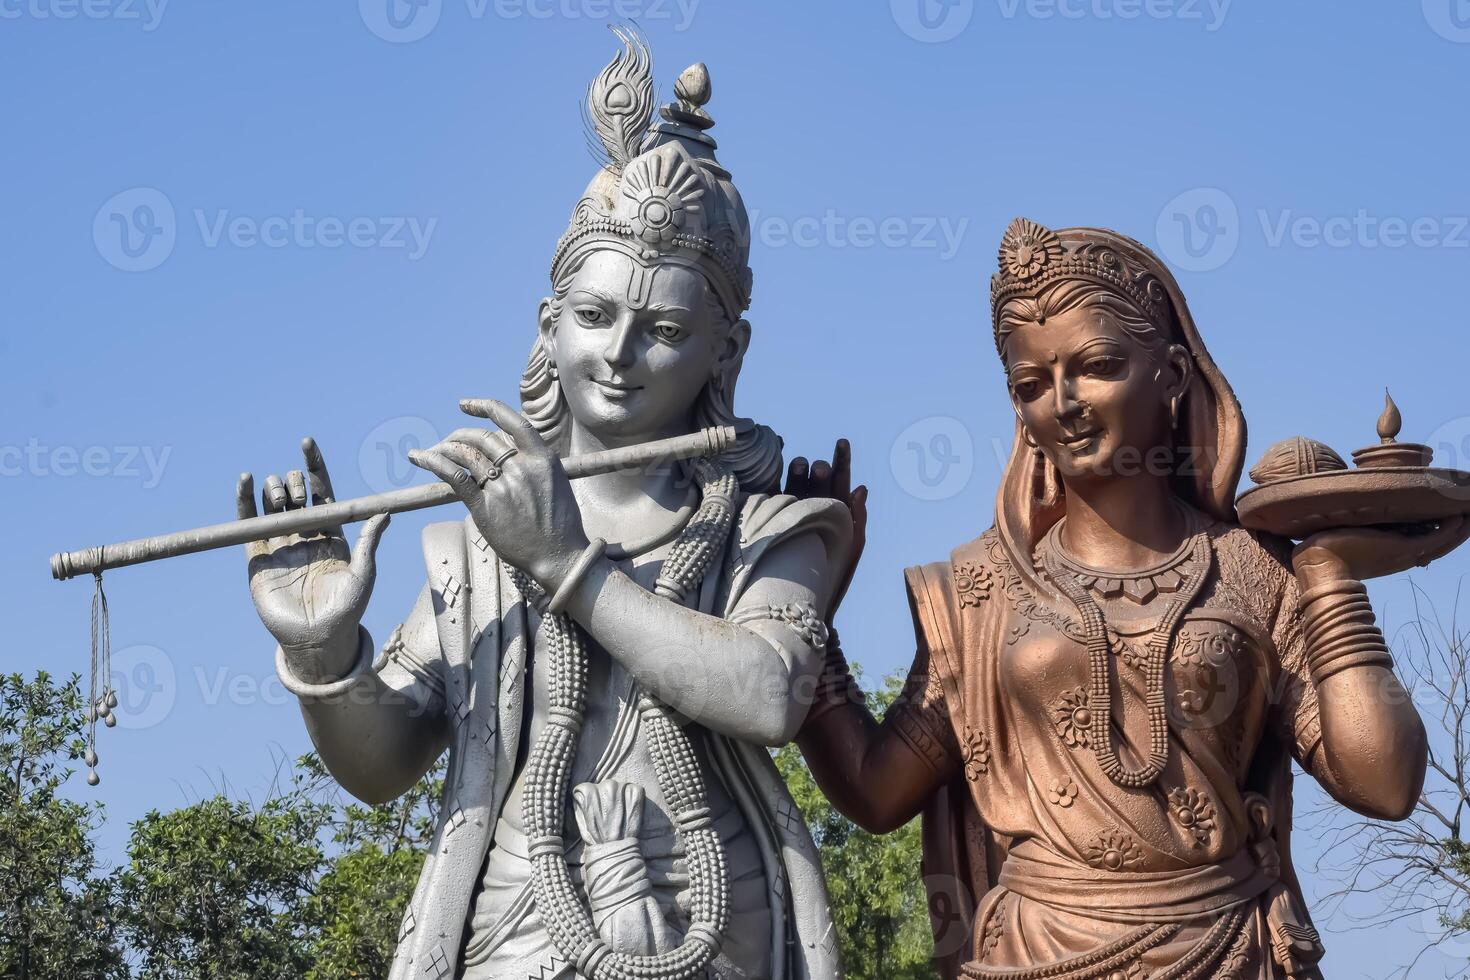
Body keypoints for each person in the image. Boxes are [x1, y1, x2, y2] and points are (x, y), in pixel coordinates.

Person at [237, 35, 849, 980]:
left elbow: (769, 693)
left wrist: (564, 562)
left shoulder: (769, 531)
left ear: (726, 354)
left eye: (667, 329)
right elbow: (381, 764)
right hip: (511, 930)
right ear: (550, 324)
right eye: (596, 317)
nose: (619, 354)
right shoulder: (471, 553)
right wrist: (321, 654)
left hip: (716, 921)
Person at [793, 218, 1464, 979]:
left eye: (1098, 365)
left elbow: (1384, 781)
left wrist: (1329, 575)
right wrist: (808, 613)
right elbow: (878, 790)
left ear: (1174, 375)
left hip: (1230, 951)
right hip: (1037, 955)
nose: (1065, 403)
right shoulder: (980, 592)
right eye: (1031, 385)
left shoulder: (1250, 573)